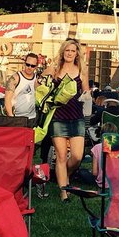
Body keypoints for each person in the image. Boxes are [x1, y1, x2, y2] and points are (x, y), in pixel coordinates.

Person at [45, 39, 90, 203]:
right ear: (63, 52)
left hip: (77, 116)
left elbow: (86, 92)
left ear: (77, 53)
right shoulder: (54, 69)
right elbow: (40, 85)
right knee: (61, 156)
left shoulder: (82, 71)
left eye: (73, 51)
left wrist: (87, 97)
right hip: (58, 117)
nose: (70, 53)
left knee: (77, 156)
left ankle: (65, 175)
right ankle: (64, 192)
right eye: (67, 50)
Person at [3, 53, 39, 123]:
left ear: (36, 67)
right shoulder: (15, 78)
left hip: (32, 117)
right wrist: (11, 117)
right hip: (17, 117)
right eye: (28, 64)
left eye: (32, 66)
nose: (29, 67)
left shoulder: (37, 79)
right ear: (24, 63)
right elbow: (7, 99)